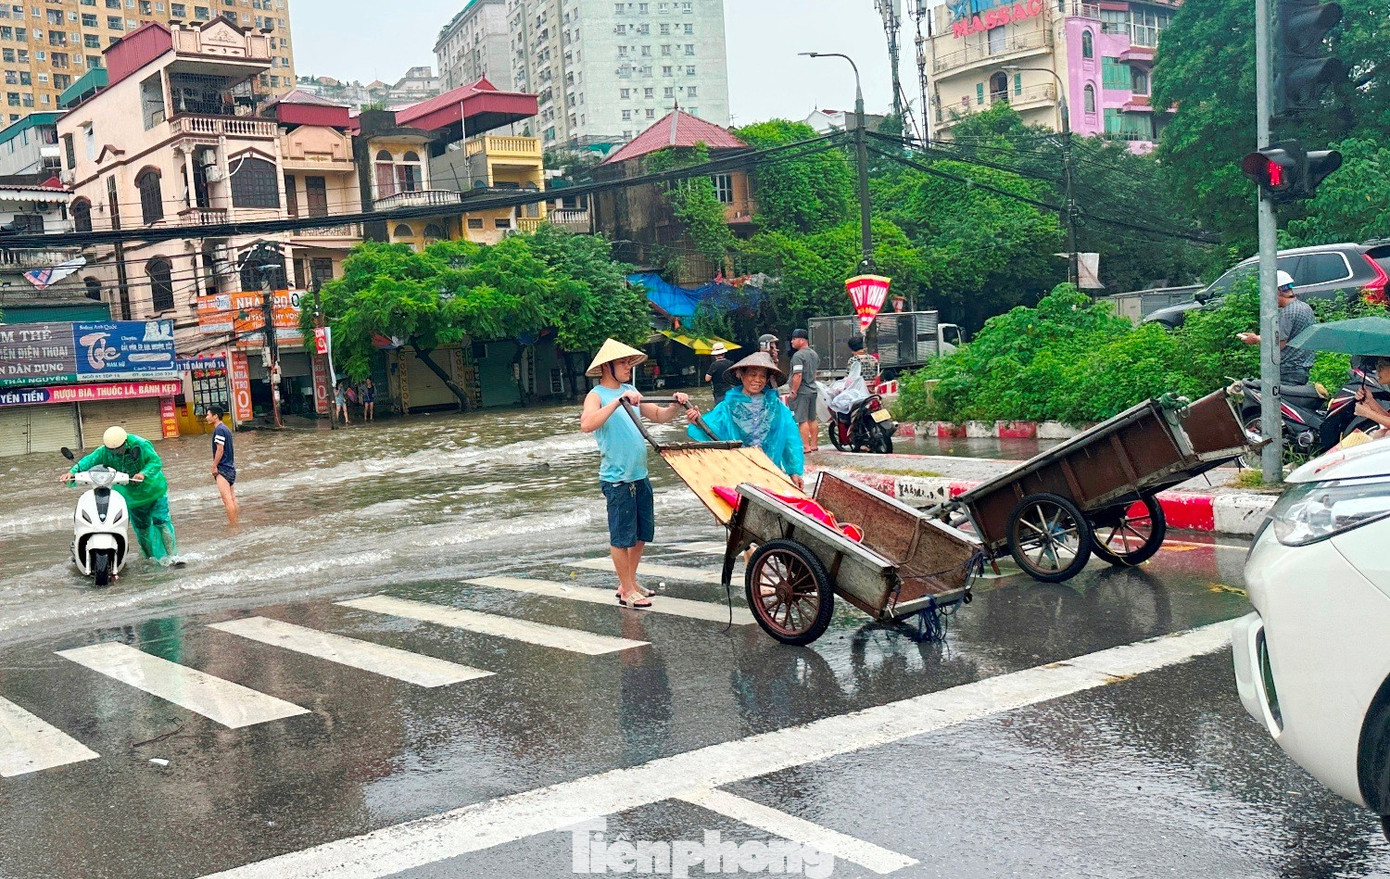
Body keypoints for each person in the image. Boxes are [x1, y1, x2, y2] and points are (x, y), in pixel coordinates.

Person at [579, 339, 690, 609]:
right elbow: (587, 424)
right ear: (607, 366)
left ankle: (628, 581)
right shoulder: (597, 395)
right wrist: (617, 402)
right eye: (623, 363)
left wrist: (676, 404)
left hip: (639, 474)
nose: (628, 367)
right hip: (617, 478)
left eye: (629, 362)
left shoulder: (632, 390)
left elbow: (660, 416)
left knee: (641, 533)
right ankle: (627, 590)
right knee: (621, 536)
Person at [684, 351, 804, 489]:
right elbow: (712, 431)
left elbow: (790, 438)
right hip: (739, 471)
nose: (757, 380)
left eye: (762, 376)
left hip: (771, 471)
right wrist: (697, 421)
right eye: (753, 375)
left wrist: (794, 471)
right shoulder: (728, 406)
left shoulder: (776, 407)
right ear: (741, 375)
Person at [63, 426, 178, 564]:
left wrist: (143, 474)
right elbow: (88, 461)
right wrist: (72, 473)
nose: (115, 453)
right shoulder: (104, 451)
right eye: (112, 450)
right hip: (133, 498)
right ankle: (150, 559)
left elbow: (155, 462)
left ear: (125, 443)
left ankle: (173, 557)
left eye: (118, 449)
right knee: (143, 530)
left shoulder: (140, 444)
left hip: (154, 491)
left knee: (162, 522)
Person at [1237, 270, 1317, 386]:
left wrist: (1256, 340)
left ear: (1278, 291)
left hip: (1289, 370)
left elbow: (1279, 343)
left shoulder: (1288, 312)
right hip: (1301, 368)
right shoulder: (1305, 307)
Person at [788, 328, 820, 453]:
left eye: (794, 339)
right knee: (812, 418)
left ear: (801, 340)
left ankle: (805, 446)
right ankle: (814, 445)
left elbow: (798, 375)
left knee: (802, 419)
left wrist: (793, 391)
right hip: (813, 389)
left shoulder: (798, 356)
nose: (791, 342)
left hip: (802, 391)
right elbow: (815, 373)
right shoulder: (814, 354)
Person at [205, 405, 238, 528]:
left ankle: (233, 526)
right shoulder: (226, 429)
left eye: (208, 415)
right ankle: (235, 522)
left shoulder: (219, 430)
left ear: (215, 416)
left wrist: (214, 466)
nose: (206, 417)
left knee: (227, 499)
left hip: (223, 469)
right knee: (232, 498)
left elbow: (220, 449)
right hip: (230, 468)